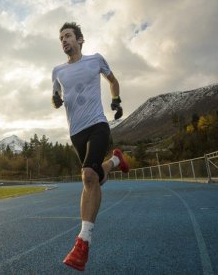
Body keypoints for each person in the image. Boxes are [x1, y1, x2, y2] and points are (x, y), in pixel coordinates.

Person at [51, 22, 130, 271]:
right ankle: (116, 160)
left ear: (80, 40)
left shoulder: (95, 59)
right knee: (94, 177)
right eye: (61, 37)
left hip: (97, 125)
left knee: (87, 176)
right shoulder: (57, 71)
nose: (64, 40)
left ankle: (82, 243)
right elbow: (55, 98)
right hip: (76, 133)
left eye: (68, 36)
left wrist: (116, 101)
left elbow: (113, 81)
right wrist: (55, 100)